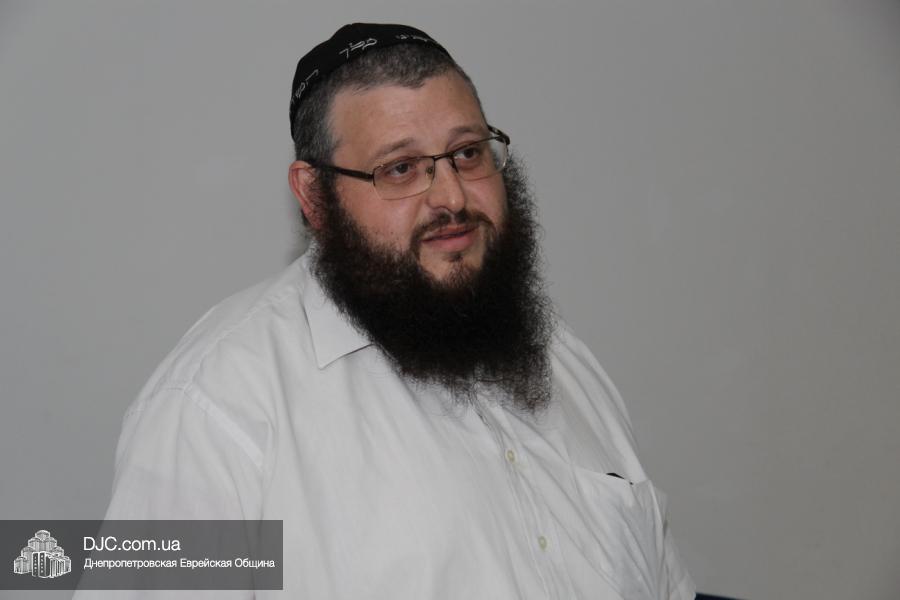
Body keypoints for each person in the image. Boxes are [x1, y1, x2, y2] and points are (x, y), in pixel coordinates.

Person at [90, 23, 696, 599]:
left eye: (467, 154)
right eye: (400, 169)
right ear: (314, 196)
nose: (451, 197)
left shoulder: (564, 361)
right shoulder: (216, 405)